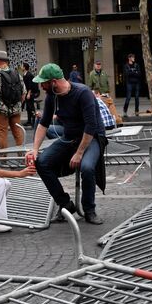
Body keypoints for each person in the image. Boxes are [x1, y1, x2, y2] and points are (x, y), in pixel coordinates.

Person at [29, 63, 106, 225]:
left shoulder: (82, 93)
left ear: (54, 81)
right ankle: (66, 204)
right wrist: (34, 150)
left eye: (44, 82)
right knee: (42, 162)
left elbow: (91, 126)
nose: (41, 86)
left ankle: (89, 210)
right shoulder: (52, 96)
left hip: (92, 137)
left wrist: (79, 153)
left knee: (86, 167)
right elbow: (43, 124)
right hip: (69, 137)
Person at [0, 50, 26, 150]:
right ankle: (21, 156)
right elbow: (23, 94)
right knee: (18, 133)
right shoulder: (18, 75)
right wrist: (17, 105)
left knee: (2, 134)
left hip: (1, 110)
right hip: (16, 109)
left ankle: (3, 158)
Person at [22, 62, 40, 127]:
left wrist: (29, 94)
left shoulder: (29, 75)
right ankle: (29, 121)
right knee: (28, 108)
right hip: (27, 93)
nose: (21, 67)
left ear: (24, 67)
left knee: (31, 107)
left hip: (30, 93)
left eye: (22, 66)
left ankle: (33, 122)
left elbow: (30, 85)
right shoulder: (25, 74)